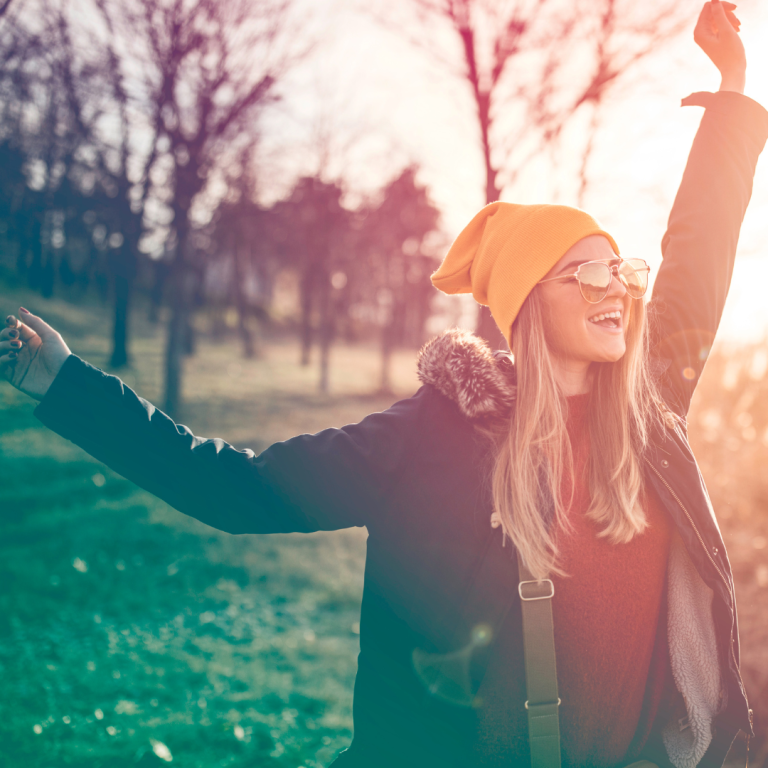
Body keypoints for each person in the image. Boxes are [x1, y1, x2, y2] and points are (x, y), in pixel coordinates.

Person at [2, 2, 766, 766]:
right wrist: (68, 386)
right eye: (588, 270)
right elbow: (234, 487)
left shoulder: (645, 407)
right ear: (531, 300)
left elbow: (698, 254)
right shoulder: (433, 439)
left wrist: (732, 87)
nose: (617, 288)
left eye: (622, 269)